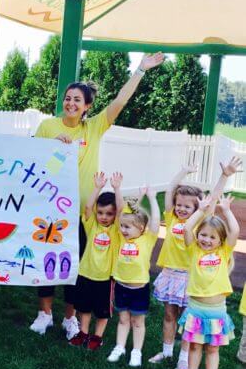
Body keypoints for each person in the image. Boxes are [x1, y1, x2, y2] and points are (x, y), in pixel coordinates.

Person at [30, 53, 164, 339]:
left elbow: (119, 102)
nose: (71, 103)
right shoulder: (47, 127)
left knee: (77, 265)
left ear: (87, 106)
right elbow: (35, 163)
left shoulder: (93, 127)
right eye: (68, 98)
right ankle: (44, 313)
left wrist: (141, 70)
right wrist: (53, 148)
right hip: (49, 210)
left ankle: (70, 317)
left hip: (83, 213)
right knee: (48, 261)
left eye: (77, 100)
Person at [149, 159, 241, 369]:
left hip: (189, 277)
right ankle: (166, 351)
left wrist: (225, 175)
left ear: (197, 207)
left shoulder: (200, 224)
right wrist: (183, 172)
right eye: (179, 204)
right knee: (169, 315)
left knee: (187, 319)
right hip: (170, 273)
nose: (181, 208)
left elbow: (214, 198)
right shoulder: (171, 218)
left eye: (187, 206)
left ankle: (184, 357)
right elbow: (170, 191)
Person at [175, 194, 238, 369]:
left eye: (212, 237)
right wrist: (201, 210)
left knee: (212, 349)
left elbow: (235, 231)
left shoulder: (223, 252)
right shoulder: (194, 250)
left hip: (216, 310)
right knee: (194, 346)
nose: (206, 240)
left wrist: (226, 210)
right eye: (203, 235)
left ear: (220, 240)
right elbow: (187, 229)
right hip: (196, 308)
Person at [107, 187, 160, 367]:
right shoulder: (121, 238)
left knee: (137, 322)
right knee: (123, 320)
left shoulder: (147, 239)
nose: (123, 229)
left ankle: (136, 351)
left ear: (141, 228)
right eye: (122, 226)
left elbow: (155, 222)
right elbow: (121, 211)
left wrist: (152, 198)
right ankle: (120, 347)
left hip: (139, 289)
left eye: (127, 227)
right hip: (121, 287)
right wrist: (126, 192)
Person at [69, 172, 123, 350]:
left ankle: (97, 337)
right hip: (86, 273)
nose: (104, 217)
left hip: (105, 278)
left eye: (109, 214)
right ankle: (83, 333)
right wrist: (97, 188)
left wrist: (117, 189)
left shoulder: (116, 230)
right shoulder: (92, 225)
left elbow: (121, 210)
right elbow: (87, 207)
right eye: (100, 212)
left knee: (102, 311)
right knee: (84, 307)